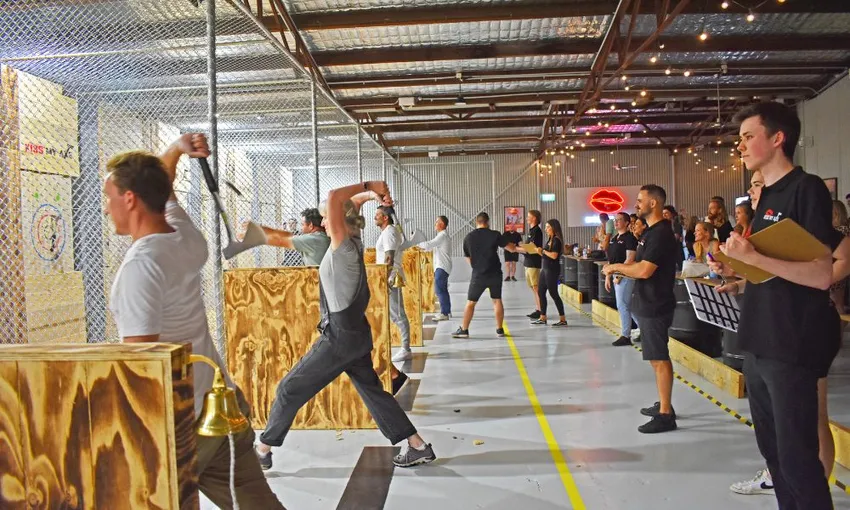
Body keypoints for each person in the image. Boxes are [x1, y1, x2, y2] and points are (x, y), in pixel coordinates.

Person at [103, 134, 285, 509]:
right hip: (220, 414)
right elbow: (163, 192)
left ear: (129, 199)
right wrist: (175, 150)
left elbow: (144, 368)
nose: (107, 209)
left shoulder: (141, 267)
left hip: (179, 427)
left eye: (109, 198)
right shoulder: (186, 238)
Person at [255, 180, 436, 470]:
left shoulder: (341, 245)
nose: (324, 221)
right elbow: (349, 205)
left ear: (339, 219)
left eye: (327, 216)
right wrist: (369, 195)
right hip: (355, 335)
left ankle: (262, 449)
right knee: (375, 393)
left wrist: (370, 184)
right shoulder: (353, 239)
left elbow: (333, 196)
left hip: (339, 338)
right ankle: (417, 446)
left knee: (289, 389)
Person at [710, 101, 838, 509]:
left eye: (748, 136)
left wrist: (754, 260)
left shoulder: (807, 189)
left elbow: (820, 274)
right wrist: (743, 278)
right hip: (759, 340)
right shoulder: (765, 198)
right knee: (775, 455)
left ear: (777, 138)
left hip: (792, 342)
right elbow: (782, 269)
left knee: (798, 458)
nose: (741, 146)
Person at [603, 185, 679, 434]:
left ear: (654, 203)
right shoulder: (650, 233)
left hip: (656, 304)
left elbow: (645, 270)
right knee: (655, 358)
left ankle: (666, 413)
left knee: (659, 358)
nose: (636, 205)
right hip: (647, 301)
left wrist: (616, 268)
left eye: (640, 200)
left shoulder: (660, 234)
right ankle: (663, 402)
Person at [451, 212, 518, 338]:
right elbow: (511, 248)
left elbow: (468, 257)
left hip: (479, 275)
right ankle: (499, 329)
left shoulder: (469, 237)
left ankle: (464, 329)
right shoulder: (495, 234)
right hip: (495, 273)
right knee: (497, 300)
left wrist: (476, 267)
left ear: (477, 222)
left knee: (471, 302)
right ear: (487, 222)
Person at [374, 206, 414, 362]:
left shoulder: (390, 232)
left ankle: (406, 348)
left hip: (391, 278)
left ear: (385, 218)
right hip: (387, 277)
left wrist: (385, 277)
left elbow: (389, 258)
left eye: (377, 215)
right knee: (394, 314)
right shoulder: (386, 232)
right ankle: (404, 347)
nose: (375, 217)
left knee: (398, 314)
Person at [252, 207, 330, 266]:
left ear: (310, 225)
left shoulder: (313, 239)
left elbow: (280, 241)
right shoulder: (322, 237)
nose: (301, 227)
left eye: (302, 224)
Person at [605, 212, 639, 346]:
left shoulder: (629, 238)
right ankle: (642, 329)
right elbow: (611, 260)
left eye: (619, 220)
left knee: (622, 305)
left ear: (626, 223)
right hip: (615, 274)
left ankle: (626, 335)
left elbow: (630, 259)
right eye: (615, 220)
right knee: (627, 305)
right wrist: (608, 275)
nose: (616, 222)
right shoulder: (614, 238)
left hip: (625, 276)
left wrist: (619, 275)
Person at [530, 219, 568, 327]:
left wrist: (542, 251)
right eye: (546, 227)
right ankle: (543, 317)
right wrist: (539, 251)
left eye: (548, 227)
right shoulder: (549, 240)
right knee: (541, 292)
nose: (546, 229)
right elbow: (546, 255)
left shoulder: (556, 240)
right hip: (545, 269)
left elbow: (554, 255)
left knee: (554, 294)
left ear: (553, 228)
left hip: (552, 270)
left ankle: (562, 319)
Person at [419, 215, 453, 321]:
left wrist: (416, 244)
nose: (435, 224)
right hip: (442, 266)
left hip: (441, 267)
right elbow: (432, 247)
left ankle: (444, 313)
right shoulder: (442, 236)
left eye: (436, 222)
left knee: (439, 290)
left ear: (442, 224)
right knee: (443, 289)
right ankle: (447, 311)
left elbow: (429, 244)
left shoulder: (442, 236)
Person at [521, 210, 544, 319]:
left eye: (529, 216)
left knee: (536, 287)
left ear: (534, 218)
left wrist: (519, 248)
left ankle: (541, 311)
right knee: (533, 287)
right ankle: (538, 308)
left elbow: (532, 247)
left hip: (534, 263)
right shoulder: (531, 231)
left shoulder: (537, 231)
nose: (527, 218)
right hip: (528, 262)